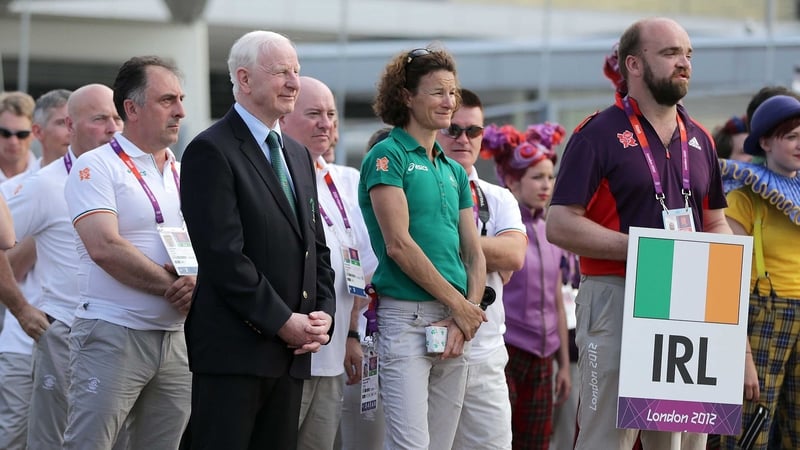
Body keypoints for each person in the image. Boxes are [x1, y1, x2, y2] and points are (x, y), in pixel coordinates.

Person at [546, 17, 731, 450]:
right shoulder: (596, 133)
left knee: (680, 439)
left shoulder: (701, 138)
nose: (684, 63)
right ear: (633, 64)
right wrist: (646, 250)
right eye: (670, 53)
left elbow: (715, 221)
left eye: (688, 54)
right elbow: (560, 223)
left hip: (689, 300)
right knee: (606, 438)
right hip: (617, 293)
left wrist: (726, 274)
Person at [180, 31, 335, 450]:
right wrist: (284, 322)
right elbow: (223, 257)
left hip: (290, 357)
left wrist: (322, 315)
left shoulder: (297, 154)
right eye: (282, 72)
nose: (294, 82)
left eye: (296, 71)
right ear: (244, 79)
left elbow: (316, 248)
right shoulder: (211, 150)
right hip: (235, 354)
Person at [358, 46, 487, 450]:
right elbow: (398, 245)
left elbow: (474, 254)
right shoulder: (386, 156)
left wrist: (466, 313)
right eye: (437, 92)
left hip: (456, 320)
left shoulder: (453, 169)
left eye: (452, 92)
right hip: (406, 319)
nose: (449, 102)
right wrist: (461, 305)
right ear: (406, 96)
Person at [62, 56, 194, 450]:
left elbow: (205, 244)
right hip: (113, 331)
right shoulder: (95, 166)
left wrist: (198, 281)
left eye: (181, 100)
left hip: (176, 338)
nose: (180, 111)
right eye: (167, 100)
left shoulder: (182, 171)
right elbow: (104, 247)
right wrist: (174, 287)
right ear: (131, 109)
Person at [6, 84, 122, 449]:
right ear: (71, 127)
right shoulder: (44, 184)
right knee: (44, 440)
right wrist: (21, 308)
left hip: (127, 335)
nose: (112, 128)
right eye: (100, 119)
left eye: (117, 118)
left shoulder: (132, 175)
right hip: (61, 333)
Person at [280, 75, 377, 450]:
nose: (326, 124)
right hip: (289, 350)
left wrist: (351, 333)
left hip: (334, 350)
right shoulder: (275, 176)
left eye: (332, 115)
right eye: (314, 114)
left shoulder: (348, 179)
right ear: (285, 117)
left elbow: (367, 265)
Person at [437, 88, 526, 450]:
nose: (463, 139)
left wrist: (452, 243)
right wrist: (489, 252)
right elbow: (410, 248)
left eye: (473, 131)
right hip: (433, 347)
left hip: (487, 351)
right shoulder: (417, 186)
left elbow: (515, 255)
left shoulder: (499, 196)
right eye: (453, 130)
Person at [482, 120, 571, 450]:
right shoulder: (501, 229)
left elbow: (557, 301)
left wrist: (564, 364)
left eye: (550, 176)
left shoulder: (552, 231)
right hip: (507, 348)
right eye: (537, 177)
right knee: (498, 440)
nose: (546, 185)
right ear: (511, 181)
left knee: (536, 443)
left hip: (544, 356)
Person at [718, 95, 800, 450]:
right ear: (765, 142)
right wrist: (742, 355)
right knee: (750, 429)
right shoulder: (743, 196)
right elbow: (726, 281)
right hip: (763, 317)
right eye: (791, 136)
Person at [0, 88, 72, 450]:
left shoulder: (99, 184)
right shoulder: (23, 189)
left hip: (79, 339)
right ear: (42, 132)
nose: (72, 130)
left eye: (20, 133)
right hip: (23, 335)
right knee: (14, 435)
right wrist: (44, 223)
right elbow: (10, 263)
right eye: (63, 122)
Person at [339, 125, 392, 450]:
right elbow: (352, 282)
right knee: (364, 440)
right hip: (365, 345)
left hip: (413, 346)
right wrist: (352, 336)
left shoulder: (426, 215)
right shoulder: (354, 215)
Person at [0, 92, 38, 184]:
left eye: (22, 134)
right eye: (5, 133)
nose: (13, 141)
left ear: (35, 133)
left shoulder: (45, 176)